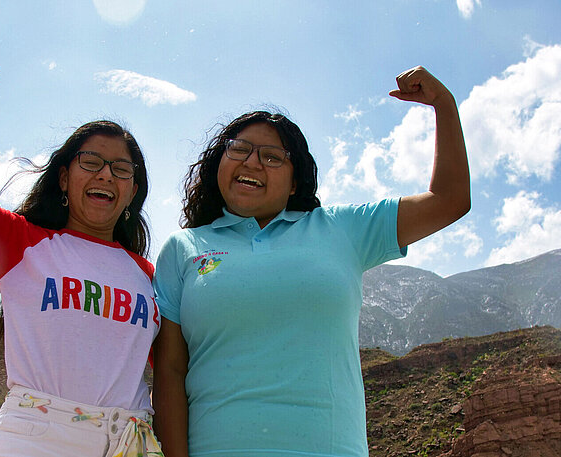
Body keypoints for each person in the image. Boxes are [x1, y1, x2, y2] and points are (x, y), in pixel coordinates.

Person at [152, 66, 470, 457]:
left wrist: (443, 104)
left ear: (296, 181)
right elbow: (169, 372)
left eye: (272, 157)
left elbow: (449, 200)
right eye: (239, 149)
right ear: (220, 162)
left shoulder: (342, 229)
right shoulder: (183, 247)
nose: (252, 163)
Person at [0, 55, 163, 457]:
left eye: (121, 169)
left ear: (133, 191)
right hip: (34, 439)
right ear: (64, 177)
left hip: (129, 441)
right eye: (91, 163)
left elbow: (175, 374)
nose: (105, 175)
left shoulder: (151, 277)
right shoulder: (19, 242)